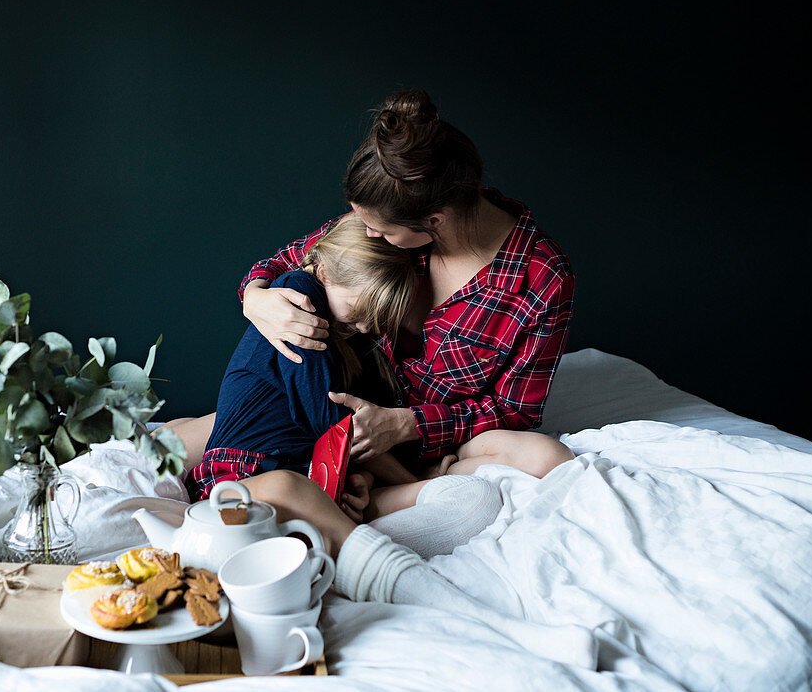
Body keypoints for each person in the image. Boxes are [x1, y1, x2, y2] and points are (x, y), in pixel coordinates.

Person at [172, 88, 575, 518]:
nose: (367, 234)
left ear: (434, 222)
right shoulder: (382, 223)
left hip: (428, 431)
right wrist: (255, 297)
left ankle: (372, 495)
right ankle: (367, 489)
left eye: (378, 229)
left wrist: (405, 425)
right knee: (194, 440)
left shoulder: (541, 279)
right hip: (334, 406)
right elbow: (298, 263)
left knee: (546, 459)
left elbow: (515, 410)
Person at [181, 215, 421, 509]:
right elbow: (330, 422)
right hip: (240, 474)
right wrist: (412, 480)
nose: (365, 328)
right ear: (323, 272)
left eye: (375, 320)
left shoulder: (340, 337)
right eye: (359, 312)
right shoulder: (298, 292)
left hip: (289, 471)